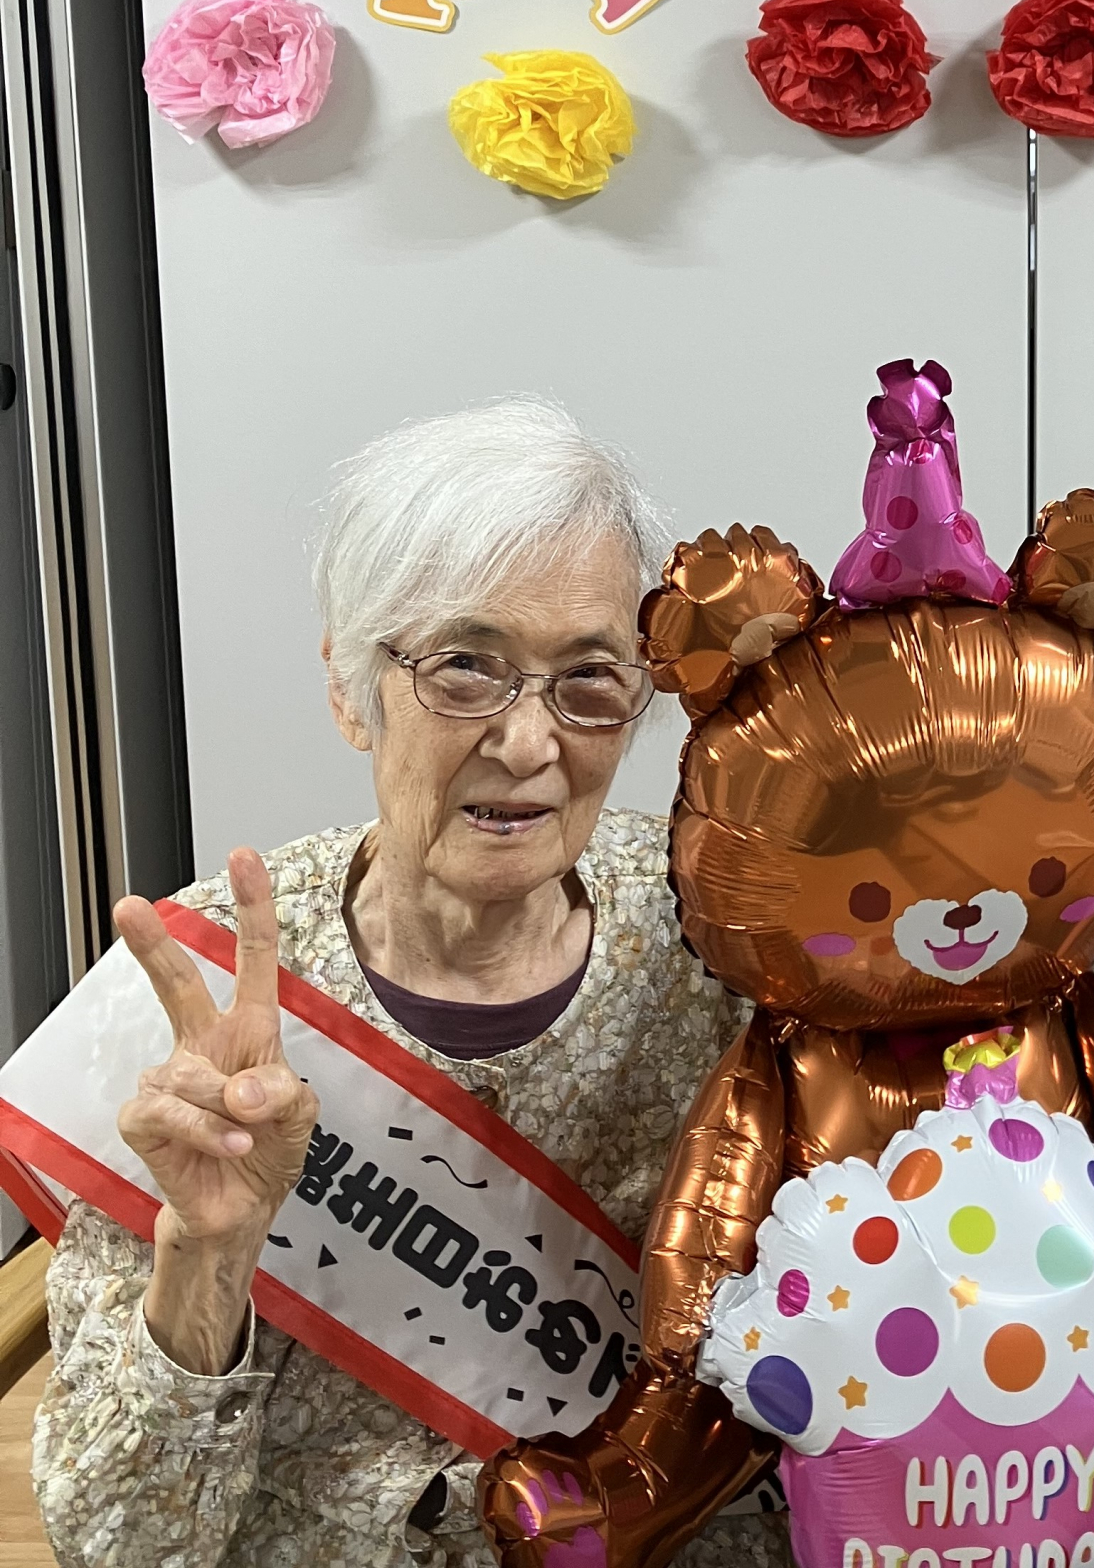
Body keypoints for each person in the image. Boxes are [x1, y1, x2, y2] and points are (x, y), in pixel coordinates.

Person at [30, 400, 786, 1568]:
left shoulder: (729, 950)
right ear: (350, 689)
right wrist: (207, 1257)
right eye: (465, 667)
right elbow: (122, 1545)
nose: (529, 743)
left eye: (589, 676)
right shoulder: (205, 994)